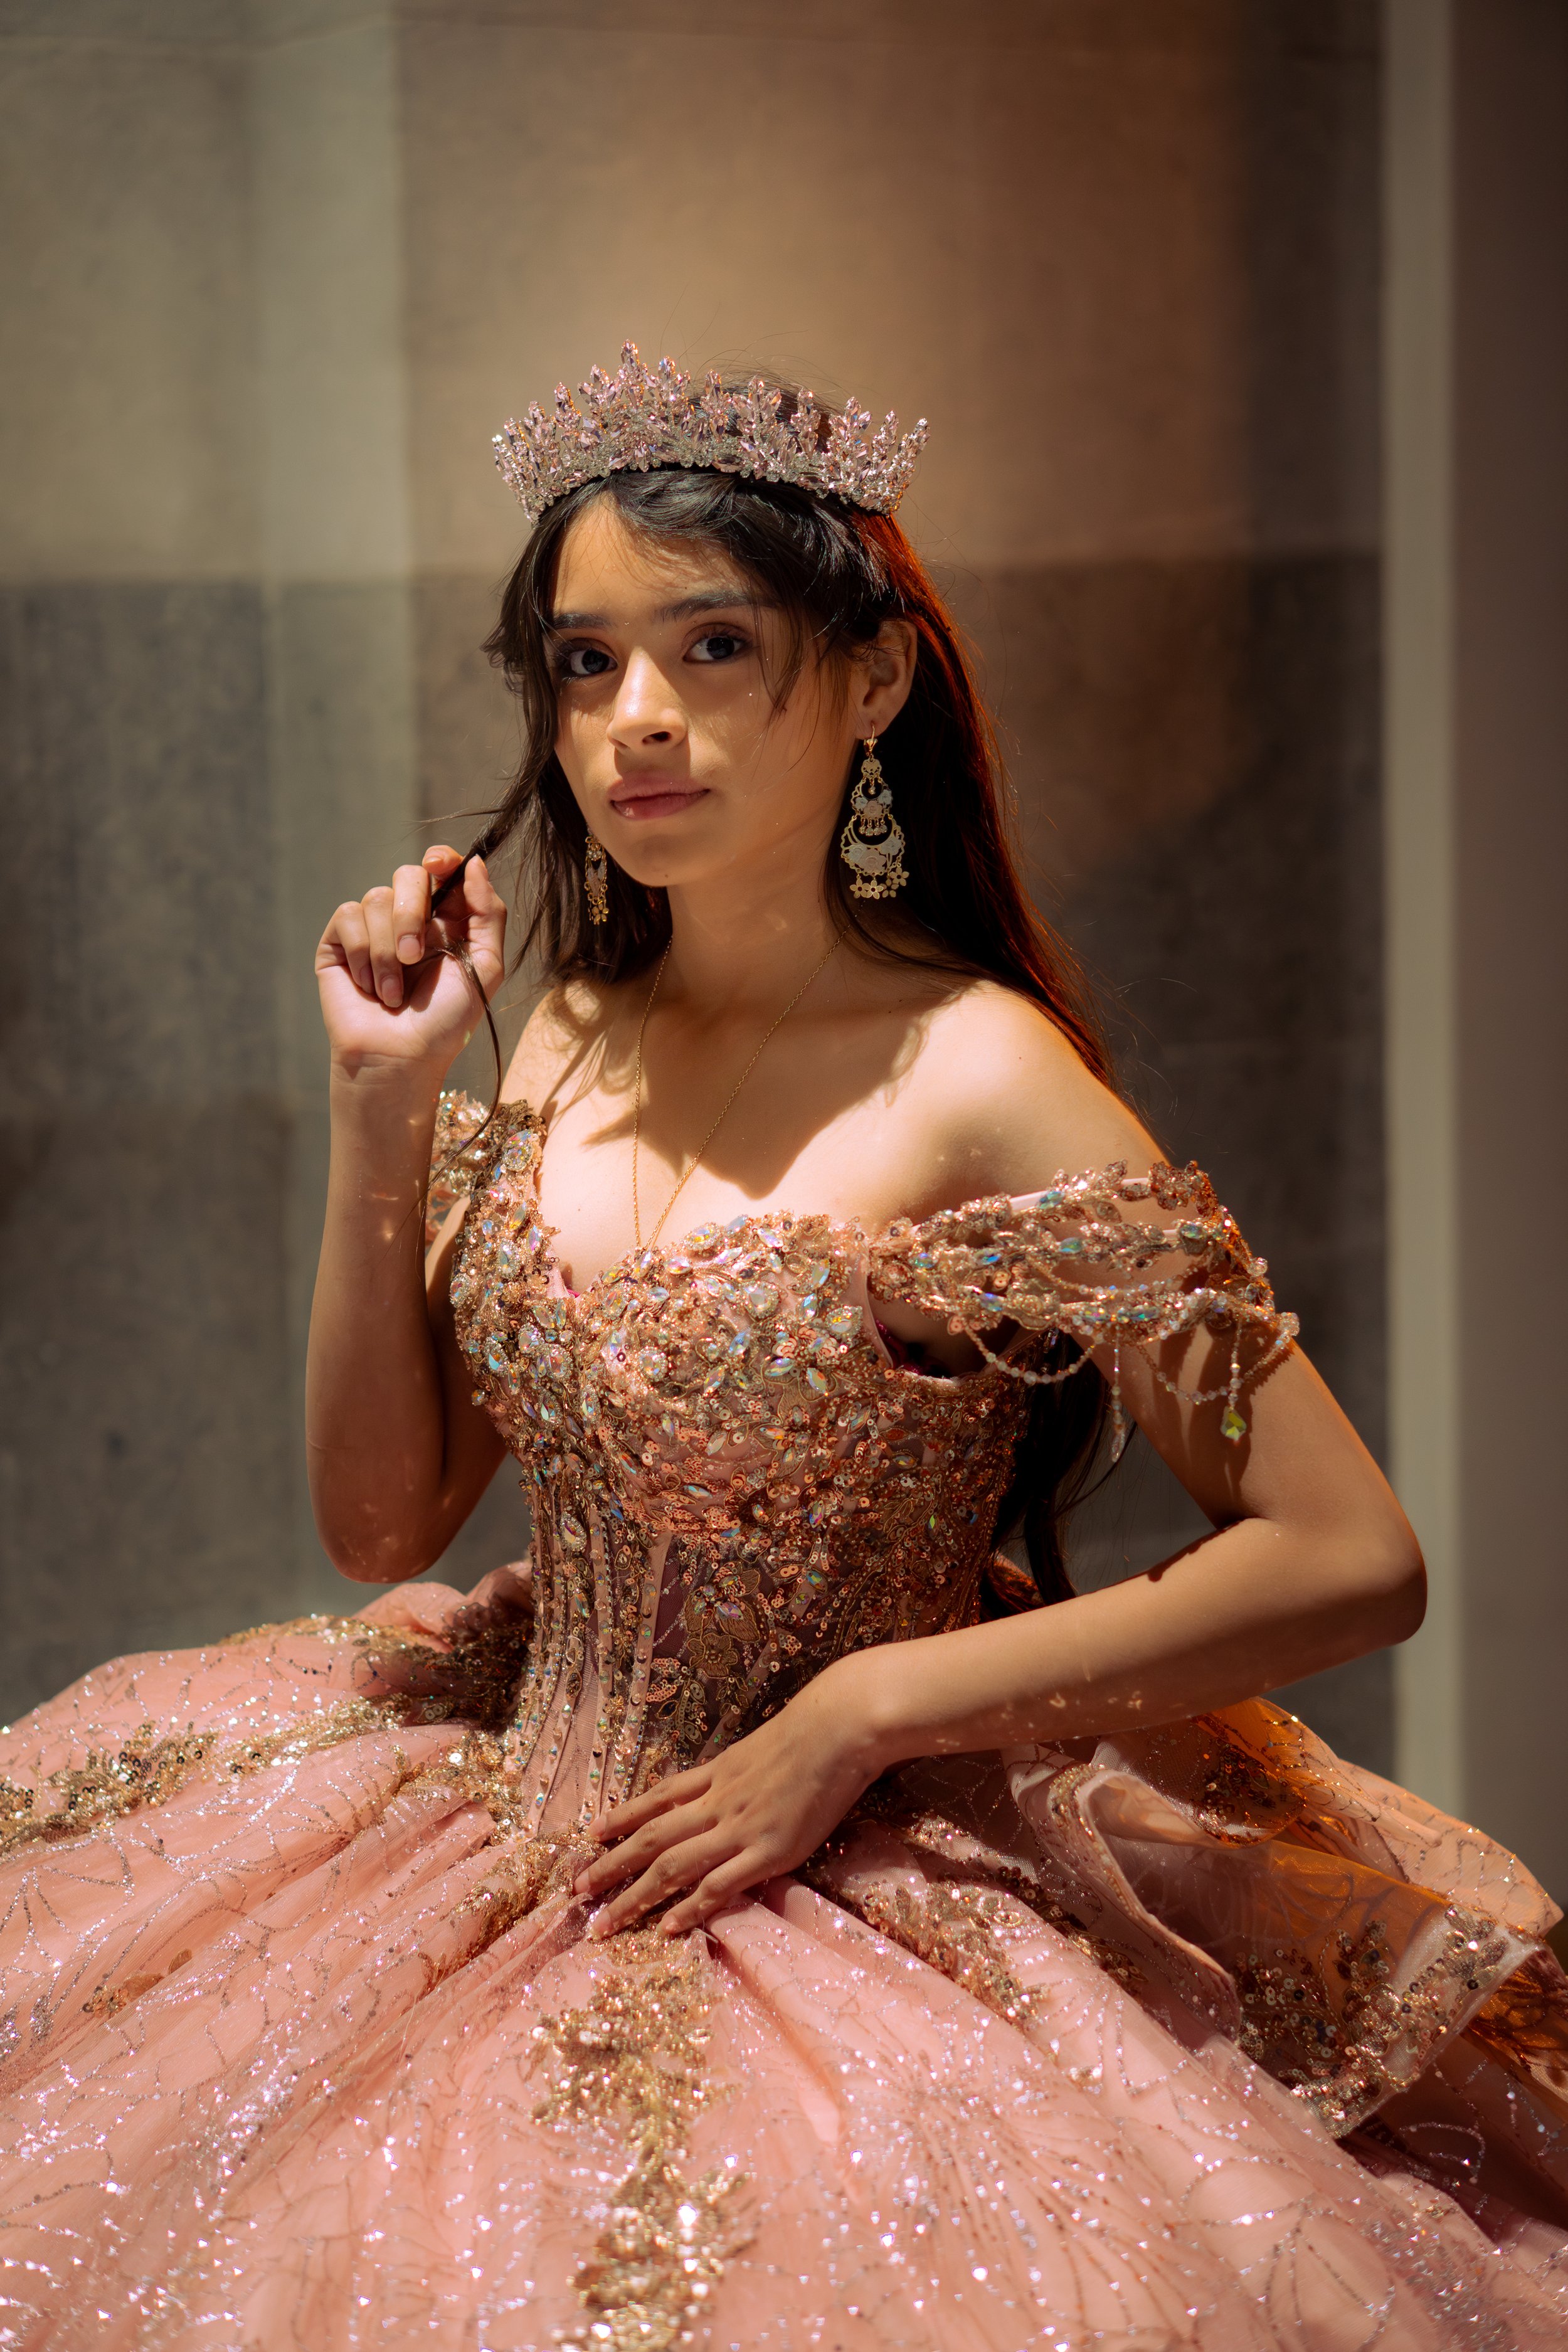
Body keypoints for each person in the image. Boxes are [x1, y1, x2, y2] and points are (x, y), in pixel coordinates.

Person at [3, 347, 1565, 2352]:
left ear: (873, 684)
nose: (635, 721)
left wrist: (865, 1713)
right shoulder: (562, 1027)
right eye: (582, 666)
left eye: (713, 646)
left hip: (860, 1885)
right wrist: (381, 1102)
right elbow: (381, 1515)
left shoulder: (977, 1075)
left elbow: (1351, 1551)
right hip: (485, 1811)